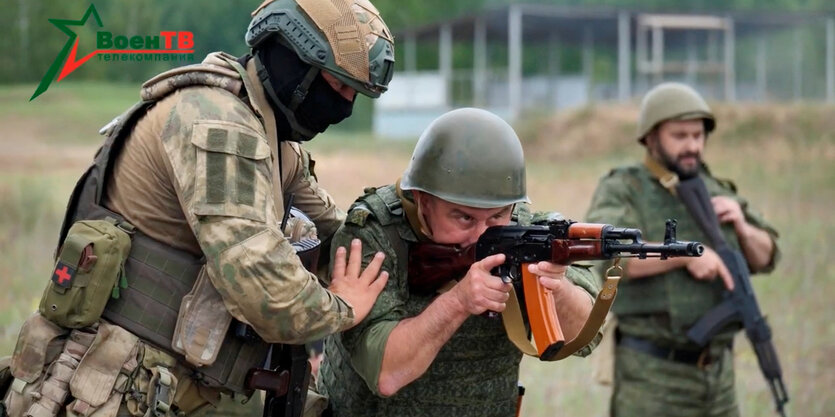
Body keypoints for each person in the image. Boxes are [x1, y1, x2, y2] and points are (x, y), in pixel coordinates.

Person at [1, 0, 394, 416]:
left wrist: (415, 223)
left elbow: (341, 232)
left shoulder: (272, 137)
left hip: (170, 388)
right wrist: (342, 306)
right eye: (338, 85)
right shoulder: (217, 123)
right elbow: (268, 294)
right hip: (109, 389)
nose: (346, 105)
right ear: (294, 60)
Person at [316, 108, 601, 417]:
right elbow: (386, 374)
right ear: (423, 201)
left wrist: (556, 289)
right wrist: (459, 301)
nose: (481, 235)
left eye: (496, 216)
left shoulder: (528, 232)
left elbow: (586, 338)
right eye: (464, 217)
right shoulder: (373, 236)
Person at [585, 82, 780, 417]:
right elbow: (610, 254)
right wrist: (685, 255)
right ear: (650, 137)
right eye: (680, 136)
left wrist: (743, 228)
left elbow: (767, 256)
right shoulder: (625, 188)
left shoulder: (716, 190)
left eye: (698, 135)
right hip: (653, 377)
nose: (692, 145)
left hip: (718, 378)